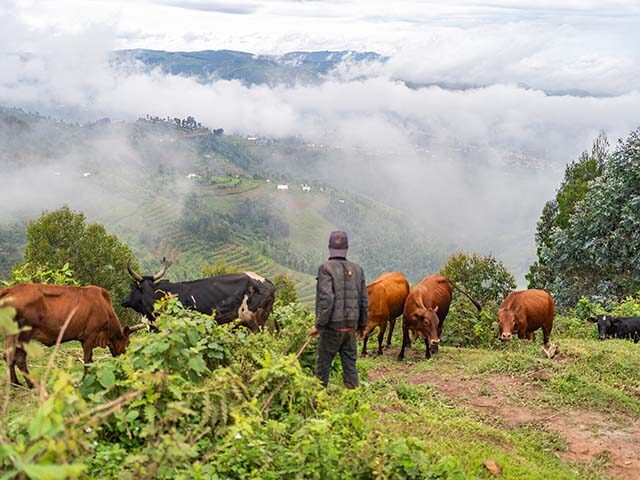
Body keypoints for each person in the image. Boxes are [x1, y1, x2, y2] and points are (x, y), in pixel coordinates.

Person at [309, 230, 368, 388]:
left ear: (329, 248)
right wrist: (362, 326)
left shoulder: (325, 268)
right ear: (347, 248)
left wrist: (318, 325)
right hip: (350, 328)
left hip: (331, 328)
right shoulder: (358, 269)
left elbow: (327, 299)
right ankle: (353, 402)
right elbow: (363, 300)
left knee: (322, 368)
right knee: (350, 367)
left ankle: (318, 404)